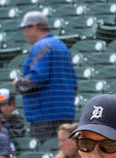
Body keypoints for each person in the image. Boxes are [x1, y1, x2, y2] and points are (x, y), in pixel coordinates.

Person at [14, 12, 77, 142]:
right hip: (65, 112)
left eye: (26, 28)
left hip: (45, 115)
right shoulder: (61, 45)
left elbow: (37, 78)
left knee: (47, 152)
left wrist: (18, 84)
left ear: (35, 27)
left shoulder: (41, 46)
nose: (24, 33)